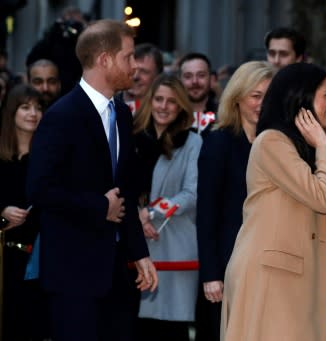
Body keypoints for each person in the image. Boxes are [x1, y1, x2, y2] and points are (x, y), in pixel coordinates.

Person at [26, 19, 158, 341]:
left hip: (116, 275)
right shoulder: (61, 116)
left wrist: (139, 254)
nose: (135, 67)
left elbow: (125, 190)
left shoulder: (122, 115)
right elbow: (40, 189)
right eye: (128, 57)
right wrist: (99, 206)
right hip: (73, 275)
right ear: (104, 60)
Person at [221, 62, 326, 340]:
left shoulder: (296, 148)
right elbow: (323, 199)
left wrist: (325, 299)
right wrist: (324, 146)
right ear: (302, 97)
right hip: (269, 281)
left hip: (289, 281)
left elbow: (306, 234)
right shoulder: (272, 142)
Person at [195, 60, 275, 341]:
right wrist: (211, 274)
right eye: (256, 96)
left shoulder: (278, 142)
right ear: (237, 97)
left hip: (269, 264)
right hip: (229, 265)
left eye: (268, 95)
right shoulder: (219, 142)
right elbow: (206, 213)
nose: (262, 103)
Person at [133, 74, 201, 340]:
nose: (163, 106)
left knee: (172, 328)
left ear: (181, 105)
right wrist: (136, 217)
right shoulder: (134, 137)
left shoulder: (193, 142)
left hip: (175, 246)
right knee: (137, 327)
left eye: (171, 101)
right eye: (159, 99)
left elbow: (191, 194)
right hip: (136, 243)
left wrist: (150, 212)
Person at [0, 84, 48, 340]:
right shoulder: (2, 158)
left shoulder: (49, 158)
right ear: (12, 112)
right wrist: (2, 214)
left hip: (39, 260)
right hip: (3, 260)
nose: (33, 113)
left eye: (38, 108)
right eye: (25, 107)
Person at [178, 52, 218, 136]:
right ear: (179, 81)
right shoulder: (171, 116)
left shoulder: (224, 116)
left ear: (211, 79)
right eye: (188, 76)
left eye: (201, 75)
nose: (194, 81)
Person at [121, 43, 163, 115]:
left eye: (144, 72)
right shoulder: (107, 105)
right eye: (132, 69)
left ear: (158, 77)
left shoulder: (162, 113)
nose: (135, 77)